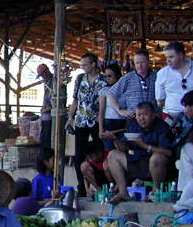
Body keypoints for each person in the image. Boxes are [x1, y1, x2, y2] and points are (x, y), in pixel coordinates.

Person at [103, 101, 173, 203]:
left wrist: (144, 146)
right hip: (138, 162)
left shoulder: (162, 127)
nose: (141, 118)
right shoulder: (134, 126)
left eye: (145, 114)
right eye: (138, 115)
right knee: (113, 154)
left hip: (157, 166)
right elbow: (124, 149)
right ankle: (123, 193)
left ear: (153, 115)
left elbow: (168, 152)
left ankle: (156, 191)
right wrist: (115, 139)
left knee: (157, 157)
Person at [65, 52, 107, 197]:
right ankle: (82, 187)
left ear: (93, 64)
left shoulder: (102, 80)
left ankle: (101, 183)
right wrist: (71, 117)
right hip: (81, 120)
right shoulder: (80, 78)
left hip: (95, 120)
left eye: (84, 65)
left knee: (98, 153)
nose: (82, 67)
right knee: (79, 155)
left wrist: (101, 125)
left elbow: (102, 106)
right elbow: (75, 99)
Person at [156, 41, 193, 119]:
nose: (168, 60)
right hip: (171, 115)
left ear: (181, 55)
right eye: (167, 57)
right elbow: (160, 101)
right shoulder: (162, 73)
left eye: (171, 57)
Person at [107, 50, 158, 117]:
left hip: (152, 117)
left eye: (142, 62)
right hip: (134, 117)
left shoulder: (156, 77)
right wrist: (120, 110)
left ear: (148, 62)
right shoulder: (128, 77)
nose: (139, 66)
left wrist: (160, 110)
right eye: (137, 63)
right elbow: (111, 94)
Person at [98, 62, 126, 150]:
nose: (107, 79)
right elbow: (102, 110)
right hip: (109, 122)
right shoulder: (104, 90)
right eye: (106, 76)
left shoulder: (125, 90)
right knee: (109, 150)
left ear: (117, 75)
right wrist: (101, 128)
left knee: (123, 149)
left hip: (123, 122)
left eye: (110, 76)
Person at [37, 63, 53, 150]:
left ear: (47, 71)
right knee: (43, 137)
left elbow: (54, 101)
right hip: (45, 115)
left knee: (47, 137)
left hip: (50, 115)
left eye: (43, 74)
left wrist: (48, 109)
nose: (43, 77)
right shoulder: (47, 82)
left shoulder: (53, 82)